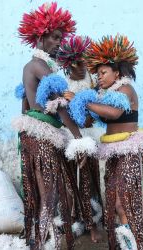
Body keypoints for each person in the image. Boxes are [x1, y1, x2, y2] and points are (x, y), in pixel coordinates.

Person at [68, 35, 143, 249]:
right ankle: (127, 243)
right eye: (97, 73)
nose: (99, 77)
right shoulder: (106, 95)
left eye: (103, 72)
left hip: (130, 152)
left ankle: (132, 246)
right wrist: (72, 104)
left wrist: (85, 101)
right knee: (116, 203)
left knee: (124, 204)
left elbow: (115, 114)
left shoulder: (125, 90)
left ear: (118, 72)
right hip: (115, 153)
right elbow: (93, 118)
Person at [12, 3, 88, 250]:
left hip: (37, 134)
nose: (59, 43)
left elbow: (26, 104)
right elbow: (60, 104)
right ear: (41, 35)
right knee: (49, 194)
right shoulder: (38, 65)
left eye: (61, 38)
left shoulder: (37, 66)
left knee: (45, 193)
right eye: (55, 37)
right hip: (41, 135)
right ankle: (43, 243)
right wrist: (78, 140)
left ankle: (41, 240)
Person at [56, 35, 103, 243]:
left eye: (85, 62)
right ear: (68, 65)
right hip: (68, 136)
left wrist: (85, 110)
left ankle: (92, 223)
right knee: (69, 182)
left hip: (88, 135)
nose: (83, 67)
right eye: (78, 64)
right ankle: (73, 219)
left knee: (88, 180)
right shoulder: (62, 84)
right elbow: (62, 114)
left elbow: (92, 115)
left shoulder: (92, 81)